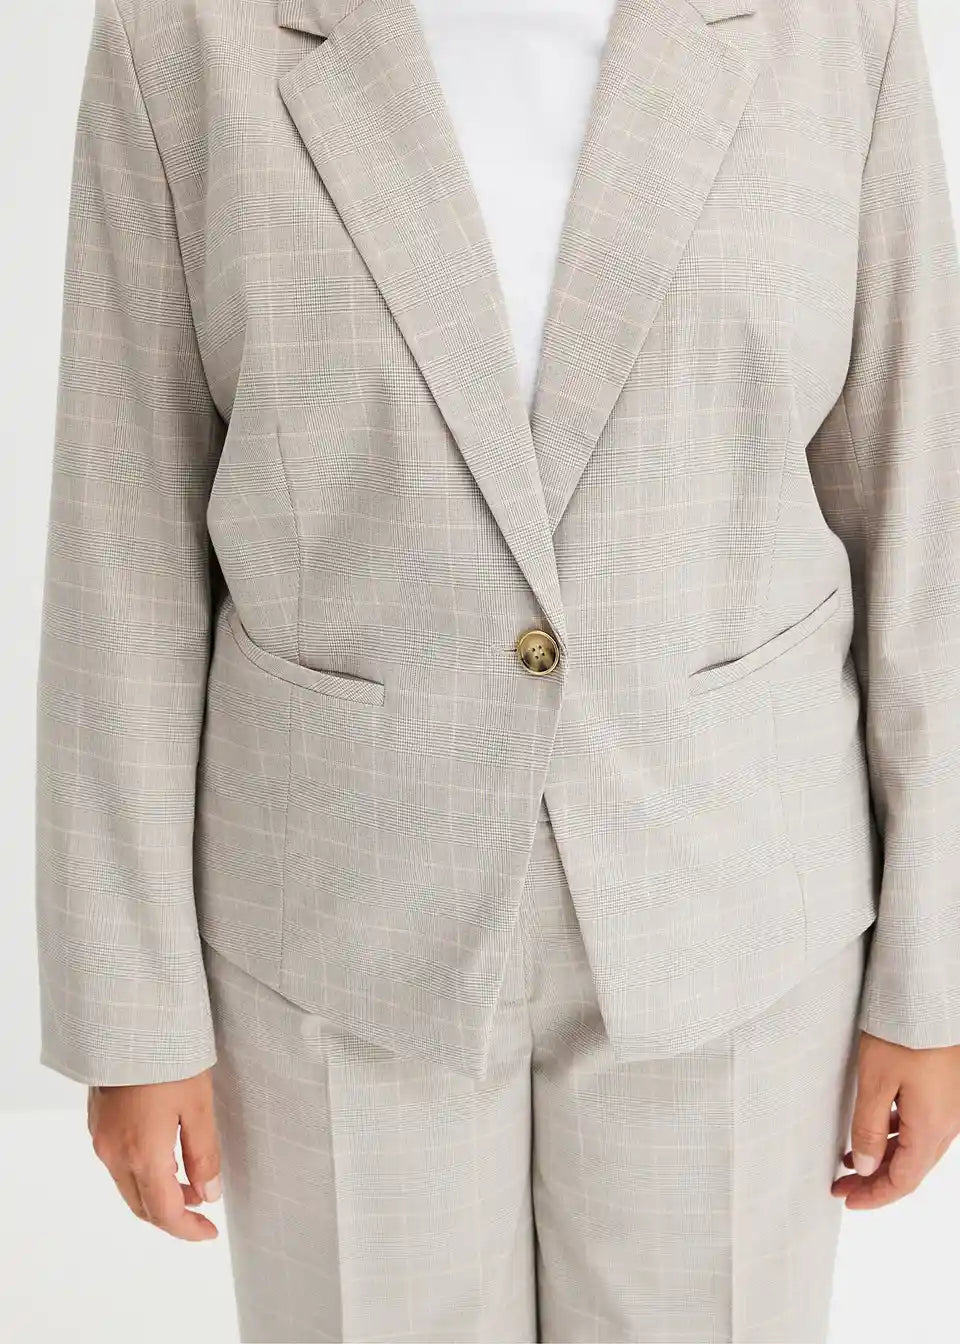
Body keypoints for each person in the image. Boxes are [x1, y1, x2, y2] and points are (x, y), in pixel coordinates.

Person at [34, 0, 960, 1339]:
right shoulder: (183, 37)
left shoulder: (836, 33)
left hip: (735, 913)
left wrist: (933, 982)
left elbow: (923, 527)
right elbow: (122, 549)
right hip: (333, 926)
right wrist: (131, 1016)